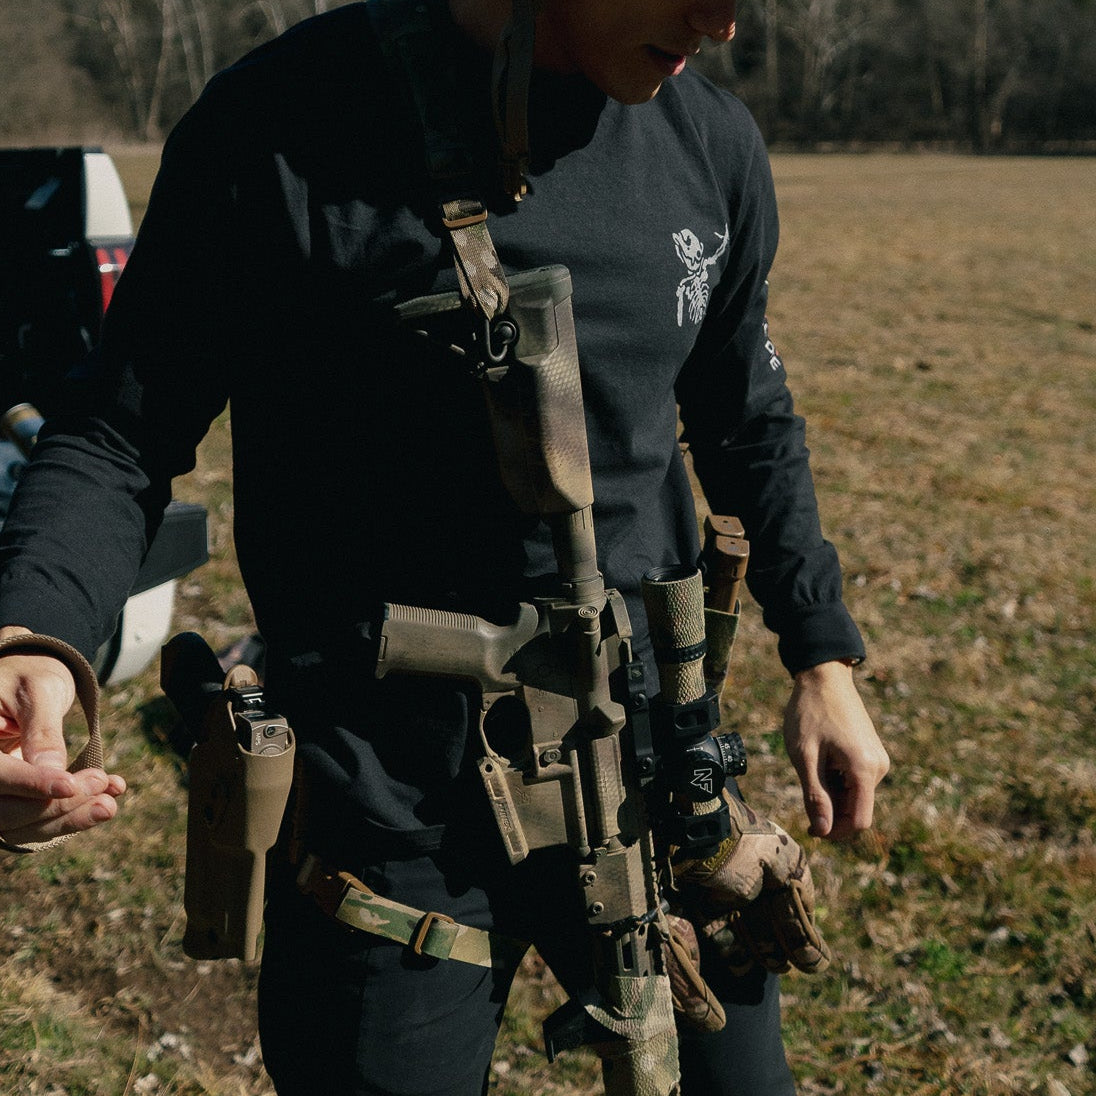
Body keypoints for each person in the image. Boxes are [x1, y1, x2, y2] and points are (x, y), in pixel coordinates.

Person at [0, 0, 890, 1093]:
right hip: (389, 810)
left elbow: (746, 418)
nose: (726, 22)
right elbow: (120, 432)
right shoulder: (279, 124)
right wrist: (36, 637)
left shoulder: (708, 143)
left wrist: (823, 654)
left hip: (647, 763)